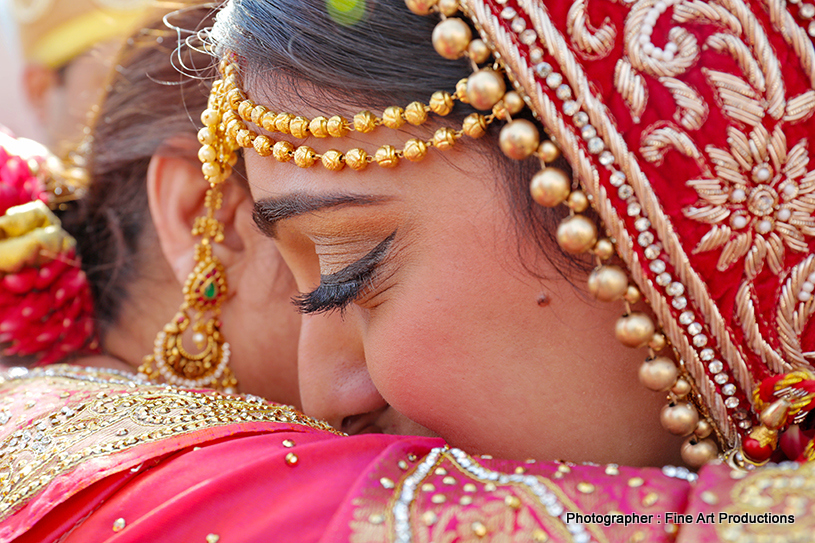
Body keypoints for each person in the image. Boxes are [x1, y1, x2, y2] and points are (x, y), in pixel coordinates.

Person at [1, 0, 814, 542]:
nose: (324, 393)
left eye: (349, 275)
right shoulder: (99, 452)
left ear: (644, 185)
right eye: (322, 287)